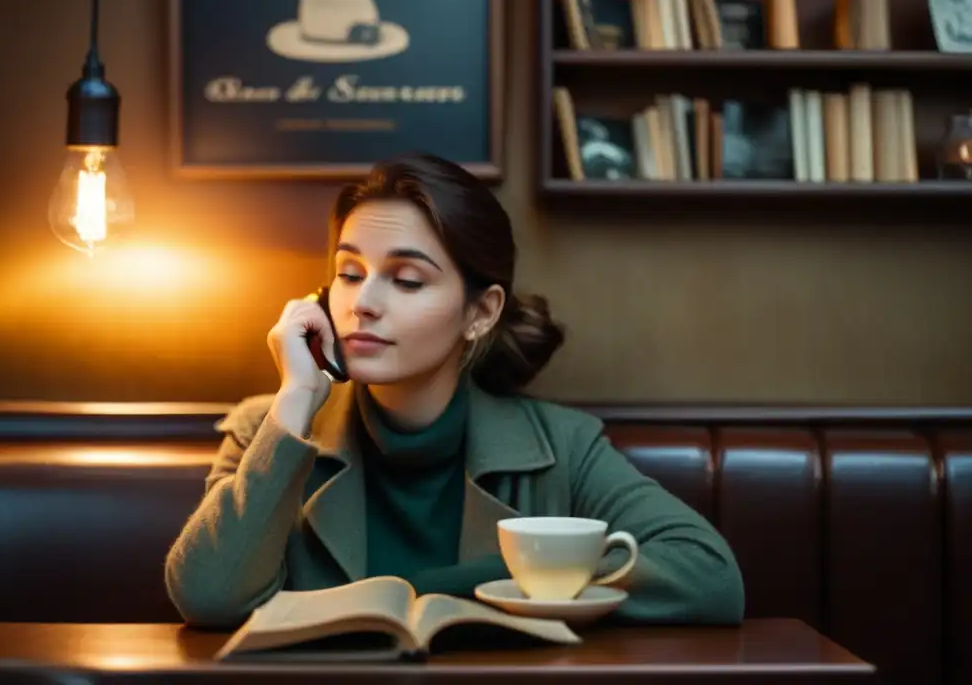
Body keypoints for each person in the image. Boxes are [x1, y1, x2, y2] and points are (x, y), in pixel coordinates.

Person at [164, 153, 745, 629]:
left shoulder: (563, 446)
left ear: (480, 312)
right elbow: (210, 596)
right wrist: (296, 398)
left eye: (408, 279)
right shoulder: (269, 427)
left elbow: (708, 576)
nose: (363, 302)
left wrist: (457, 590)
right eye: (348, 273)